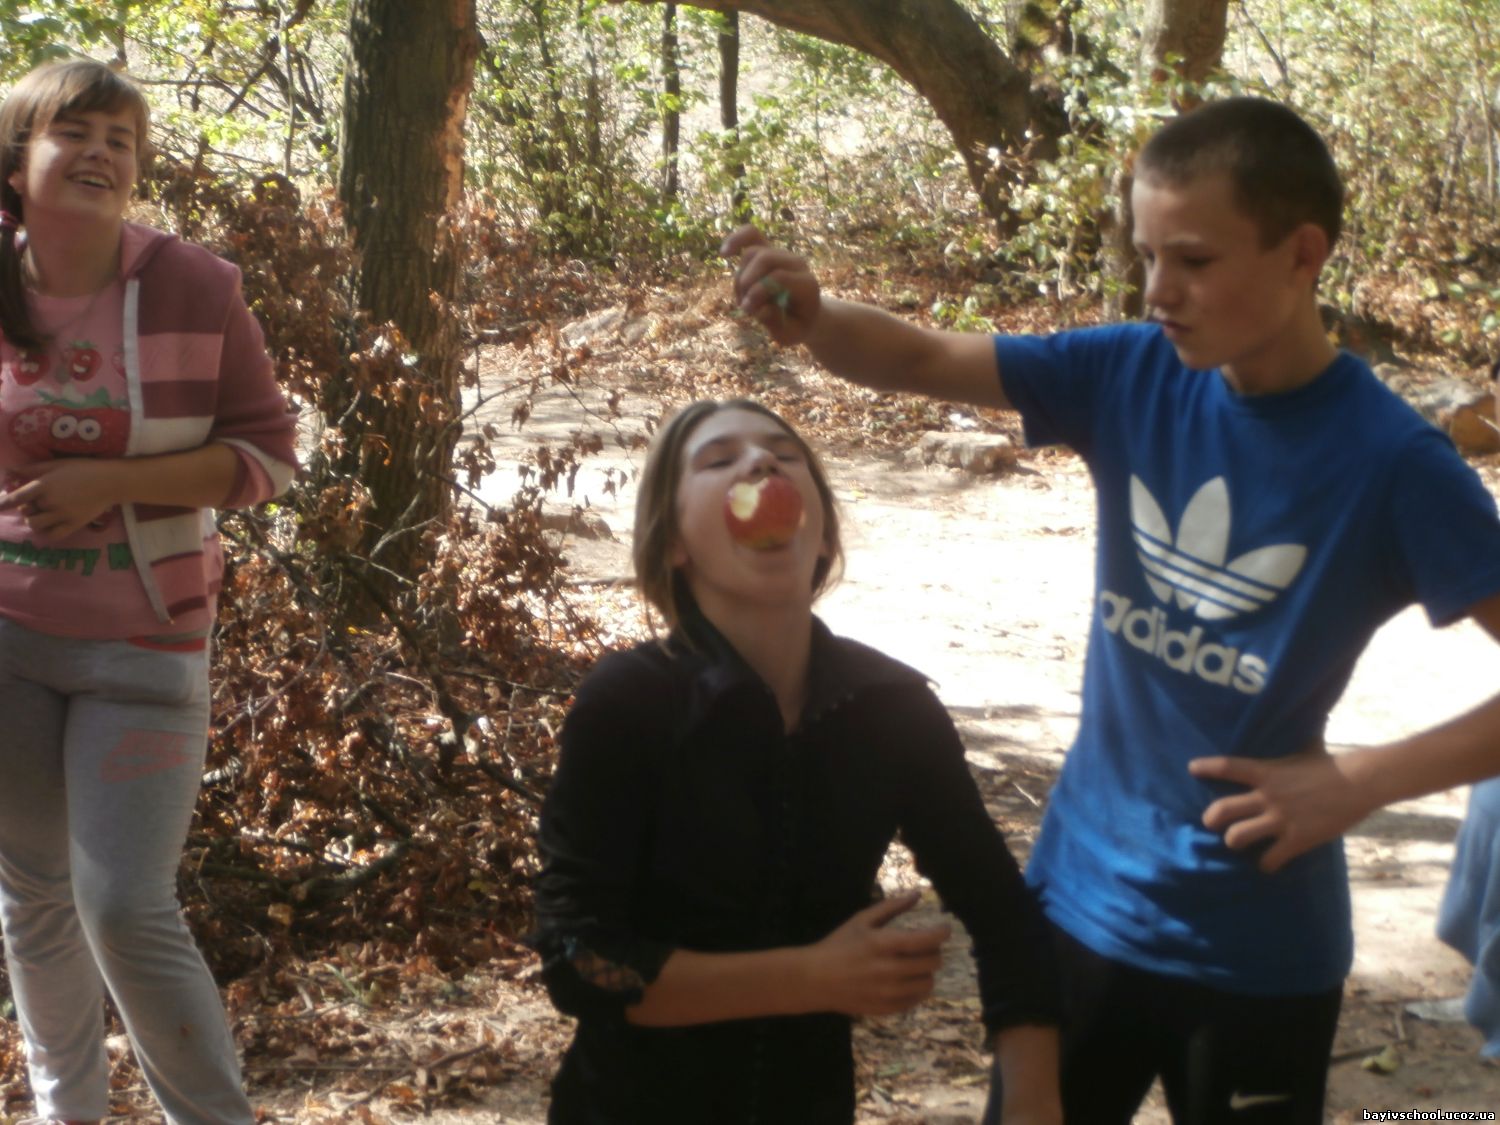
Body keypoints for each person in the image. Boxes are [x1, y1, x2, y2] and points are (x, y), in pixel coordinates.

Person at [723, 95, 1500, 1124]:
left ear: (1302, 254)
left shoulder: (1393, 461)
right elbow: (919, 358)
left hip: (1262, 952)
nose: (1159, 290)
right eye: (1146, 255)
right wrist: (817, 321)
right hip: (1077, 909)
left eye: (1194, 260)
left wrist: (1358, 781)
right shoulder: (1130, 374)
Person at [531, 398, 1062, 1124]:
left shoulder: (893, 709)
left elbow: (1007, 919)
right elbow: (578, 959)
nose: (762, 464)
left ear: (822, 531)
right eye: (720, 459)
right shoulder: (628, 701)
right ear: (674, 542)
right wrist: (808, 978)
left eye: (785, 455)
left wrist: (1032, 1097)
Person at [0, 59, 297, 1124]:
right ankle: (65, 1112)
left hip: (146, 646)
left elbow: (267, 458)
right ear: (16, 163)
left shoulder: (193, 288)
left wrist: (111, 484)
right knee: (35, 900)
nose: (101, 152)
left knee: (125, 906)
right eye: (73, 132)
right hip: (8, 642)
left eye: (120, 139)